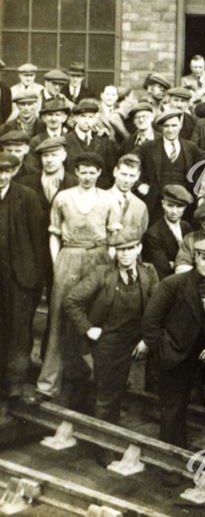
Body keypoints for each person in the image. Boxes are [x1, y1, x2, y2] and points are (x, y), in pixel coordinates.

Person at [34, 152, 123, 405]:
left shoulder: (109, 200)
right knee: (60, 318)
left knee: (98, 315)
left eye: (92, 171)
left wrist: (108, 262)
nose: (87, 176)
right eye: (82, 171)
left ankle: (98, 382)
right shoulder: (63, 198)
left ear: (99, 173)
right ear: (76, 173)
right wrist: (57, 263)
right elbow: (54, 234)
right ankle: (49, 383)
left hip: (99, 256)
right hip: (69, 257)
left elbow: (114, 237)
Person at [141, 238, 205, 447]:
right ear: (196, 257)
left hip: (202, 359)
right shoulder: (173, 284)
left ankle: (181, 447)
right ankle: (169, 459)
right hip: (174, 357)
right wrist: (164, 351)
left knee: (187, 406)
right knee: (172, 408)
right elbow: (150, 323)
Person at [64, 232, 156, 430]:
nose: (125, 254)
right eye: (120, 249)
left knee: (124, 392)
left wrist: (147, 340)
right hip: (109, 342)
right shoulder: (102, 273)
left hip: (136, 341)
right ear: (114, 251)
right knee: (106, 396)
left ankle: (114, 432)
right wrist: (88, 329)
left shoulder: (149, 272)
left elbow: (158, 309)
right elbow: (71, 301)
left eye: (130, 248)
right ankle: (103, 445)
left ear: (139, 248)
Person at [0, 153, 46, 410]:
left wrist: (36, 276)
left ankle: (15, 386)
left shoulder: (26, 196)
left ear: (13, 172)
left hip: (20, 277)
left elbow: (38, 239)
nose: (1, 177)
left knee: (19, 331)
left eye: (6, 171)